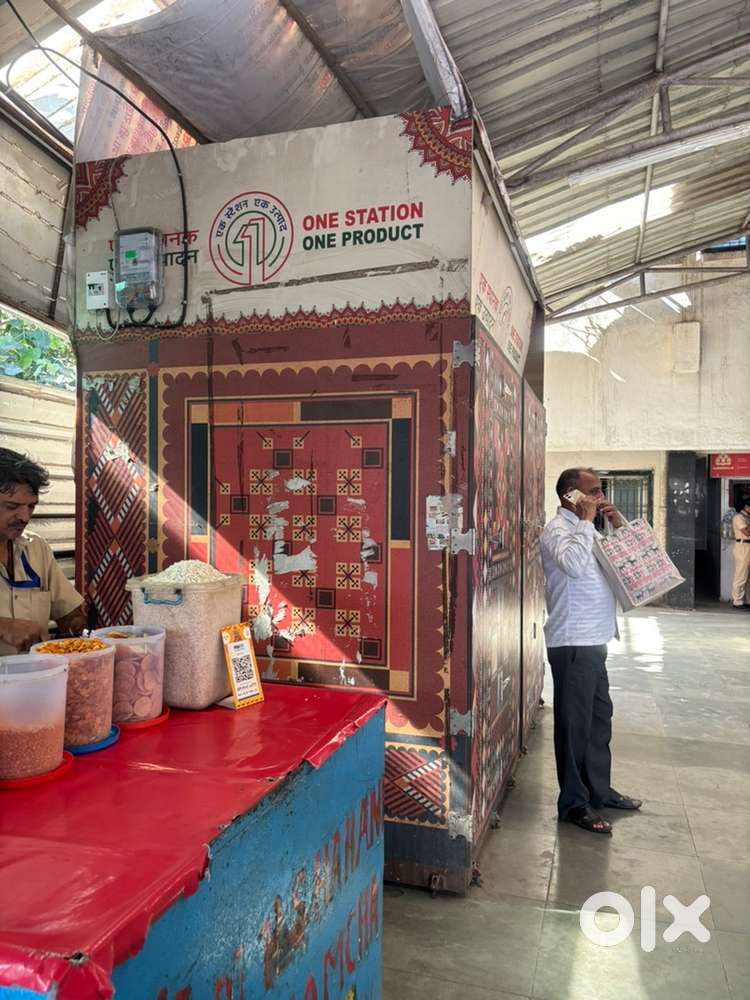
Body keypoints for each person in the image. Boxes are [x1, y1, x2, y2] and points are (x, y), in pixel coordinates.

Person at [541, 467, 642, 836]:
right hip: (572, 642)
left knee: (599, 719)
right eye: (594, 492)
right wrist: (586, 522)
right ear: (571, 496)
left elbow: (629, 561)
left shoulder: (591, 530)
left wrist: (618, 524)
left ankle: (599, 790)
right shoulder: (557, 531)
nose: (601, 498)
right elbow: (573, 565)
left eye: (601, 492)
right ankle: (573, 803)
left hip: (595, 639)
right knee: (573, 726)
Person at [0, 447, 85, 655]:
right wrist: (4, 627)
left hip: (36, 679)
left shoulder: (36, 548)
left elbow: (68, 611)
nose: (25, 517)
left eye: (31, 506)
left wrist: (77, 628)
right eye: (13, 506)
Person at [731, 495, 750, 609]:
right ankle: (737, 601)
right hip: (742, 546)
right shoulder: (738, 518)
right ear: (746, 506)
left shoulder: (747, 517)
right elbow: (747, 532)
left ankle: (747, 600)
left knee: (748, 576)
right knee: (741, 575)